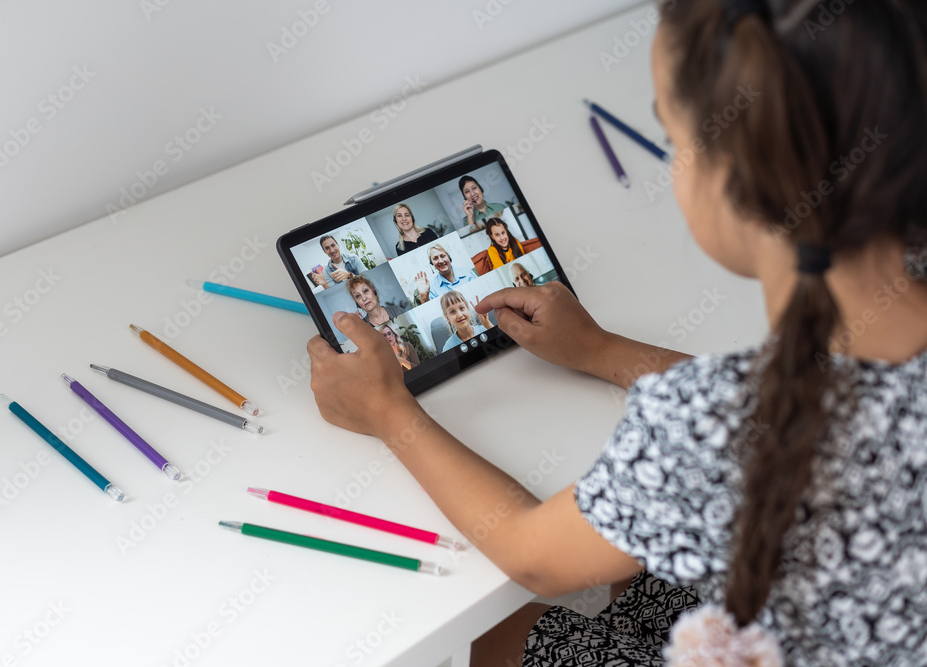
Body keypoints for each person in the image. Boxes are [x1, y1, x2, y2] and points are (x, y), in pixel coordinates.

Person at [306, 0, 927, 665]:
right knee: (630, 569)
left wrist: (388, 410)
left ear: (731, 176)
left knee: (502, 634)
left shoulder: (706, 425)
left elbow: (531, 556)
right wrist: (601, 350)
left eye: (674, 135)